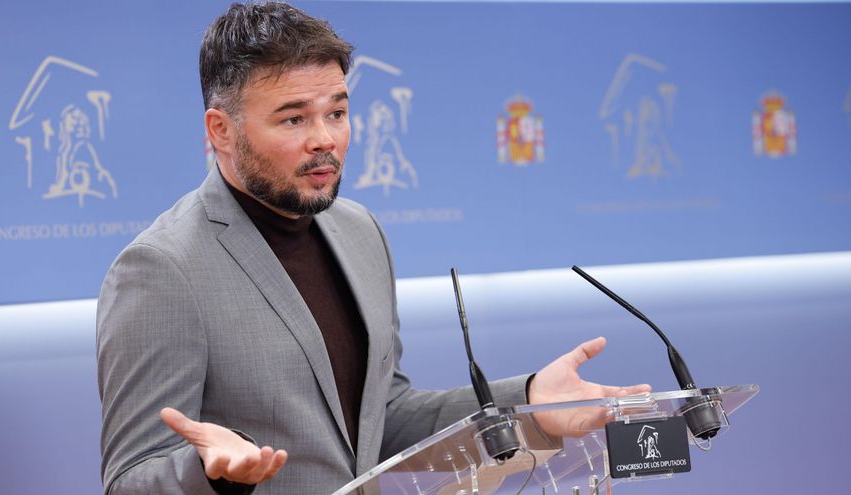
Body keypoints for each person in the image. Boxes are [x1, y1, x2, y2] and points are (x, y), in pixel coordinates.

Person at [96, 2, 649, 494]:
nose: (325, 139)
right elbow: (129, 478)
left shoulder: (359, 230)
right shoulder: (161, 269)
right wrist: (208, 472)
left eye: (336, 112)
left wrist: (530, 402)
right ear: (220, 130)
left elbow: (381, 420)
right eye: (294, 118)